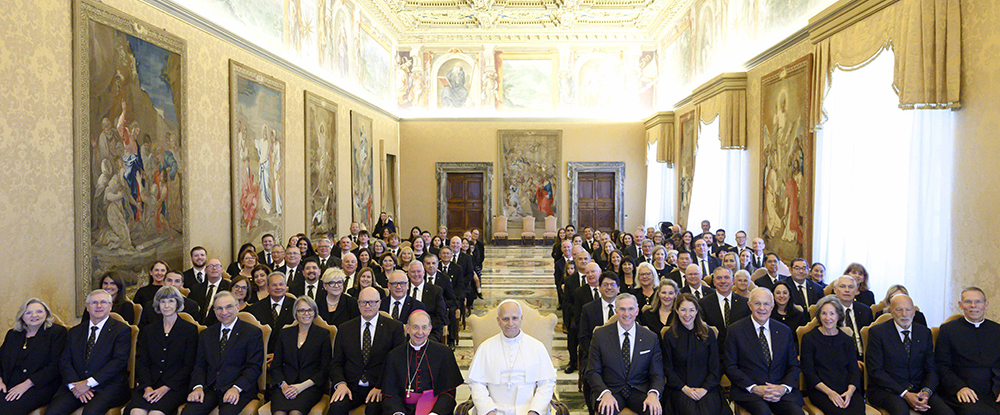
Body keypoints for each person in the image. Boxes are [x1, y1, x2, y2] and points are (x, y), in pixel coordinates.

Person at [48, 290, 132, 415]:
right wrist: (75, 386)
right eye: (94, 303)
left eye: (103, 302)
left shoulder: (121, 331)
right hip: (76, 384)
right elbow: (65, 361)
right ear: (87, 307)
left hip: (107, 386)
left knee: (91, 413)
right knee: (53, 412)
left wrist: (88, 383)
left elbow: (118, 362)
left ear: (110, 306)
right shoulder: (75, 331)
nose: (99, 306)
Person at [867, 294, 953, 415]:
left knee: (945, 412)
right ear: (891, 311)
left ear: (914, 311)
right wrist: (905, 393)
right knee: (901, 411)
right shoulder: (878, 333)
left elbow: (931, 369)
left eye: (908, 310)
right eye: (899, 310)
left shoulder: (924, 333)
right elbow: (876, 371)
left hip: (919, 389)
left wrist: (926, 392)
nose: (904, 314)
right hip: (887, 390)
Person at [724, 288, 805, 415]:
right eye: (757, 303)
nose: (762, 308)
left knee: (796, 413)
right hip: (750, 392)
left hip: (779, 390)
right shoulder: (735, 330)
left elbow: (794, 365)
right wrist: (754, 388)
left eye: (766, 304)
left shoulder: (784, 331)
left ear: (772, 306)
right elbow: (730, 366)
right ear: (749, 305)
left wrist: (783, 388)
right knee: (763, 413)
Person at [467, 300, 556, 415]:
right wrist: (488, 411)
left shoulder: (537, 347)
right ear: (498, 321)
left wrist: (534, 411)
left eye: (515, 318)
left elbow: (546, 383)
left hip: (529, 410)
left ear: (521, 319)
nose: (510, 323)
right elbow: (477, 384)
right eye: (505, 319)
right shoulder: (486, 347)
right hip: (494, 410)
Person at [182, 291, 265, 415]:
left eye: (228, 307)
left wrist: (236, 388)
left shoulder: (252, 333)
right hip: (210, 388)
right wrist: (197, 386)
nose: (224, 312)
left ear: (237, 307)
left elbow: (254, 367)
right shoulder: (207, 334)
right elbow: (200, 365)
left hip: (238, 388)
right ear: (214, 311)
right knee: (189, 412)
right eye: (219, 308)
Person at [328, 287, 406, 415]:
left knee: (374, 410)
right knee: (336, 407)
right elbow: (336, 363)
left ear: (379, 303)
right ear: (358, 304)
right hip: (350, 387)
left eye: (372, 302)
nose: (367, 306)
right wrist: (340, 384)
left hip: (379, 386)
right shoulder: (345, 328)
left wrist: (381, 386)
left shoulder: (394, 328)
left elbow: (397, 365)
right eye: (363, 302)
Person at [586, 293, 664, 415]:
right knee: (606, 410)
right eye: (622, 309)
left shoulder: (650, 337)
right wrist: (604, 393)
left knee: (653, 410)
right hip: (611, 390)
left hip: (639, 390)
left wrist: (653, 393)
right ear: (616, 311)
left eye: (631, 309)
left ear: (637, 311)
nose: (627, 314)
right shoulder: (600, 335)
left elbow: (657, 373)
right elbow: (592, 371)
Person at [125, 286, 198, 415]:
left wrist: (165, 388)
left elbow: (189, 366)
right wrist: (147, 387)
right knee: (136, 412)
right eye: (162, 301)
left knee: (155, 413)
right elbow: (143, 363)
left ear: (178, 303)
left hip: (175, 386)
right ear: (158, 304)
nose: (166, 305)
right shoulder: (149, 330)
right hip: (149, 384)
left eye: (171, 301)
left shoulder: (190, 330)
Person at [381, 310, 464, 415]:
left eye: (424, 327)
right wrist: (398, 412)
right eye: (415, 327)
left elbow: (449, 393)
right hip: (403, 409)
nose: (420, 332)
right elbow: (390, 393)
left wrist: (435, 413)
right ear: (407, 328)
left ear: (430, 329)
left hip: (434, 408)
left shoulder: (444, 353)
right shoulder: (394, 355)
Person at [935, 287, 1000, 415]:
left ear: (986, 305)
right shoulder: (948, 330)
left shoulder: (997, 330)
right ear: (960, 305)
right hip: (963, 387)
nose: (973, 306)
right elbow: (941, 365)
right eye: (968, 302)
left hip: (994, 387)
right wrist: (959, 387)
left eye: (978, 302)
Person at [662, 294, 730, 415]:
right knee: (689, 412)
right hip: (680, 388)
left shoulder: (708, 333)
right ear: (677, 310)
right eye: (683, 310)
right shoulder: (669, 335)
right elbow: (667, 368)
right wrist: (685, 389)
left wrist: (704, 389)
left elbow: (715, 366)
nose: (687, 315)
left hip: (707, 387)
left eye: (691, 310)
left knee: (708, 411)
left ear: (697, 311)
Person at [0, 298, 67, 415]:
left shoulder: (57, 332)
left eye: (39, 311)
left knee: (7, 409)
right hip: (9, 382)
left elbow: (56, 366)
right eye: (28, 312)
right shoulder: (13, 334)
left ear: (46, 313)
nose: (34, 315)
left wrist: (26, 384)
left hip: (39, 385)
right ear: (22, 316)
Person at [799, 295, 864, 415]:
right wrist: (830, 393)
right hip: (821, 390)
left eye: (832, 314)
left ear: (839, 315)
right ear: (818, 315)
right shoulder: (809, 338)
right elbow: (809, 372)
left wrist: (850, 392)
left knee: (858, 411)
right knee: (840, 413)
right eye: (824, 313)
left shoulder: (847, 339)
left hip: (847, 389)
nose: (828, 318)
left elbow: (854, 370)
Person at [269, 296, 331, 415]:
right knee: (279, 413)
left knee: (295, 412)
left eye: (309, 310)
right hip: (285, 385)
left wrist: (300, 387)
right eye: (301, 310)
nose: (306, 313)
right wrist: (284, 385)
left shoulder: (323, 335)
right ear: (296, 313)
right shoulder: (284, 333)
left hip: (309, 386)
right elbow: (275, 365)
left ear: (314, 312)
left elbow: (324, 370)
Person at [246, 272, 296, 357]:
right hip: (263, 355)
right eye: (274, 285)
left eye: (281, 284)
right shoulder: (255, 308)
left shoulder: (296, 307)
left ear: (286, 287)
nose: (278, 288)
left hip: (289, 356)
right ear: (268, 288)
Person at [699, 267, 750, 348]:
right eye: (719, 278)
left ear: (733, 281)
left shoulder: (745, 303)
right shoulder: (703, 303)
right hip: (714, 351)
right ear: (714, 282)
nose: (723, 281)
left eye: (726, 277)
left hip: (740, 351)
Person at [831, 275, 873, 359]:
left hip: (863, 357)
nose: (847, 290)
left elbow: (871, 340)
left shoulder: (865, 310)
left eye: (851, 287)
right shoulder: (829, 311)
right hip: (838, 358)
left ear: (856, 290)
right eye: (842, 286)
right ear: (835, 290)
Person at [405, 262, 448, 342]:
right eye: (413, 272)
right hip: (407, 331)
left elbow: (441, 316)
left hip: (429, 331)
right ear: (408, 274)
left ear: (424, 273)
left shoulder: (435, 291)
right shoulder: (403, 290)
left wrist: (425, 328)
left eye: (419, 271)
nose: (416, 274)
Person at [190, 259, 232, 325]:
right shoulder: (196, 289)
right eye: (211, 266)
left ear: (222, 270)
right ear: (205, 270)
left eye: (217, 266)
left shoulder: (229, 288)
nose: (214, 268)